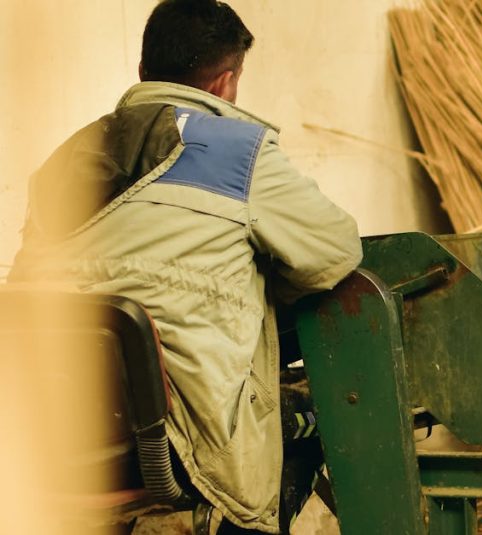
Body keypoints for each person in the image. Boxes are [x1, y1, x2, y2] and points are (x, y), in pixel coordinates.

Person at [8, 0, 362, 533]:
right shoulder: (239, 153)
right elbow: (335, 251)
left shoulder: (58, 162)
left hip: (54, 435)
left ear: (144, 71)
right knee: (316, 417)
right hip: (180, 447)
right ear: (224, 83)